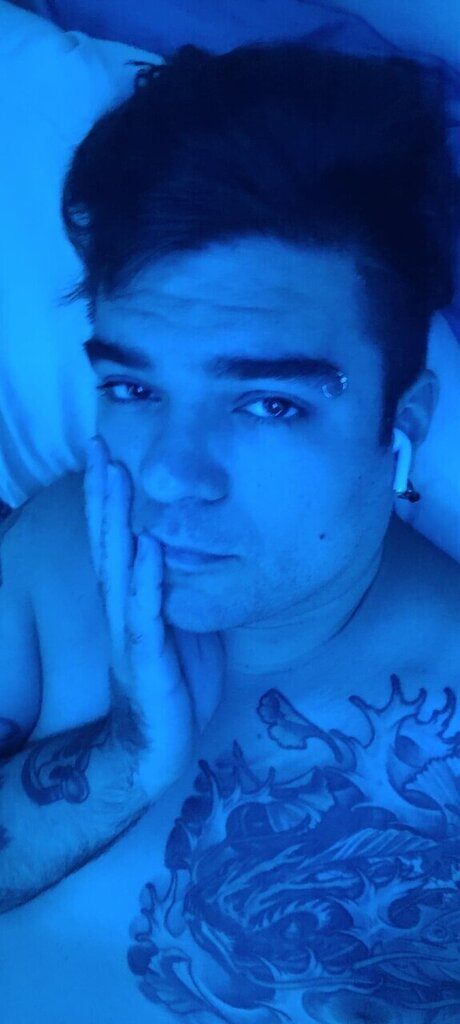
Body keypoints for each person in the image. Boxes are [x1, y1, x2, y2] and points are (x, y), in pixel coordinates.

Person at [1, 38, 460, 1023]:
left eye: (268, 404)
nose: (168, 474)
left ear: (403, 422)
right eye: (133, 388)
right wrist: (123, 759)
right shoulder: (59, 548)